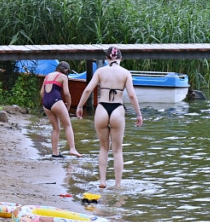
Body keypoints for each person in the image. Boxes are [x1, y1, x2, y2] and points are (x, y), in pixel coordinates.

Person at [75, 47, 143, 188]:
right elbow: (131, 95)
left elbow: (88, 89)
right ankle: (118, 184)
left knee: (103, 147)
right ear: (120, 58)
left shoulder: (100, 71)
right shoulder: (125, 73)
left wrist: (80, 106)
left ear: (107, 58)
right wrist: (138, 114)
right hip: (117, 109)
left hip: (102, 109)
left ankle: (102, 181)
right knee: (117, 149)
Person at [41, 61, 82, 158]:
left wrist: (49, 101)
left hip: (46, 103)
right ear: (66, 70)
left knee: (55, 128)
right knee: (68, 125)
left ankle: (55, 153)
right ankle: (72, 149)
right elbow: (67, 93)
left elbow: (42, 93)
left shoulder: (48, 76)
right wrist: (68, 105)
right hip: (56, 101)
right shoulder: (63, 77)